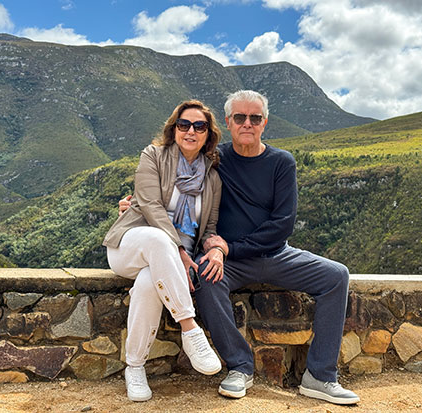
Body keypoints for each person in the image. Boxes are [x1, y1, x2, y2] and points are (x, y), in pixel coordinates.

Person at [195, 90, 360, 405]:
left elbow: (282, 225)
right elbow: (177, 190)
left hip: (275, 255)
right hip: (231, 263)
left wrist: (228, 248)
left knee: (336, 275)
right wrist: (136, 207)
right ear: (228, 122)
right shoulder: (214, 159)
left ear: (264, 123)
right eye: (240, 117)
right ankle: (239, 367)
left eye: (255, 118)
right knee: (204, 276)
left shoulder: (281, 162)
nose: (247, 123)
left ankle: (320, 376)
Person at [103, 99, 225, 402]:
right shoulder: (153, 156)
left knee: (149, 283)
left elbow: (208, 229)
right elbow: (150, 206)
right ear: (174, 128)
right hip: (131, 245)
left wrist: (217, 250)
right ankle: (190, 329)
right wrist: (179, 251)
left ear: (208, 134)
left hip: (168, 262)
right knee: (159, 240)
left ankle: (134, 367)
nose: (191, 131)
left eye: (199, 126)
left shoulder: (212, 179)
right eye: (184, 124)